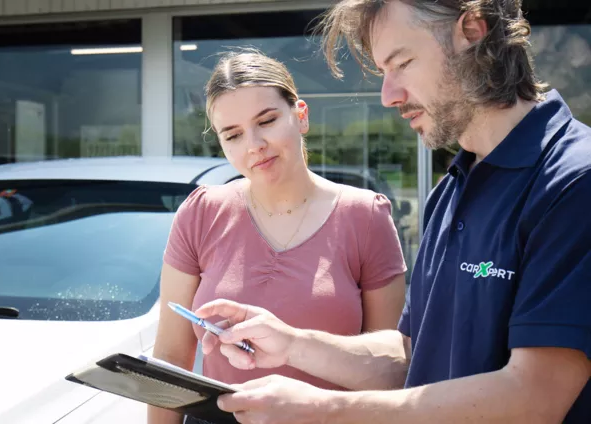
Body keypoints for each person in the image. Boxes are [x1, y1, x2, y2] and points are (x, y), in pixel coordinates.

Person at [193, 1, 591, 423]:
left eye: (402, 64)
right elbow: (411, 358)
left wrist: (323, 410)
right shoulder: (450, 192)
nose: (388, 96)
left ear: (474, 30)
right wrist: (292, 344)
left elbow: (535, 396)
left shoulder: (574, 182)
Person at [147, 50, 408, 424]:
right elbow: (171, 358)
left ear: (300, 116)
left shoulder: (365, 217)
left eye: (266, 121)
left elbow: (393, 370)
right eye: (233, 134)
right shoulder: (201, 212)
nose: (254, 144)